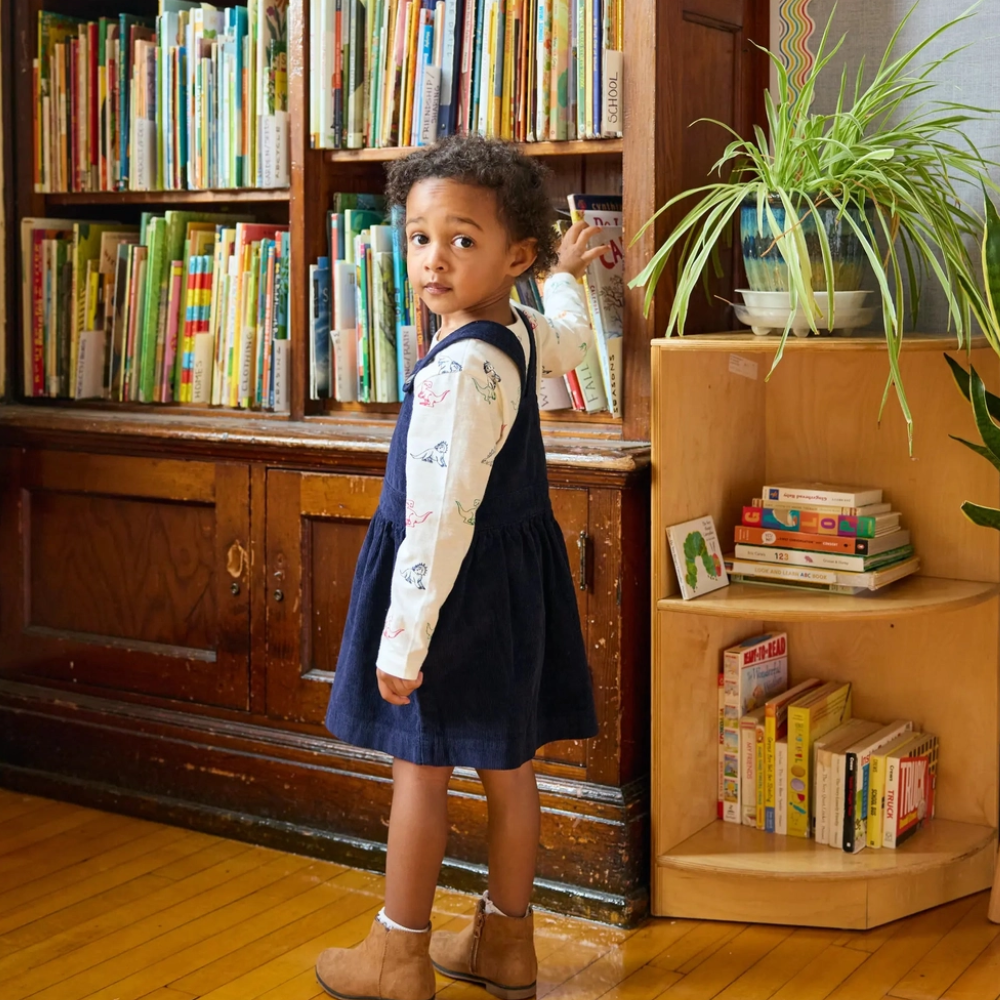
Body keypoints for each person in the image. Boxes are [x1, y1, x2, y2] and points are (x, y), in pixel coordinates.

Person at [316, 133, 607, 1000]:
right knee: (510, 771)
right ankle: (505, 945)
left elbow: (438, 519)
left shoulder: (457, 368)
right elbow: (573, 345)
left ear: (513, 255)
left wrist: (404, 641)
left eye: (462, 239)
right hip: (512, 594)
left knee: (420, 770)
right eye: (419, 238)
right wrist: (563, 277)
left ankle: (398, 955)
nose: (433, 259)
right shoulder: (516, 331)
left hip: (449, 601)